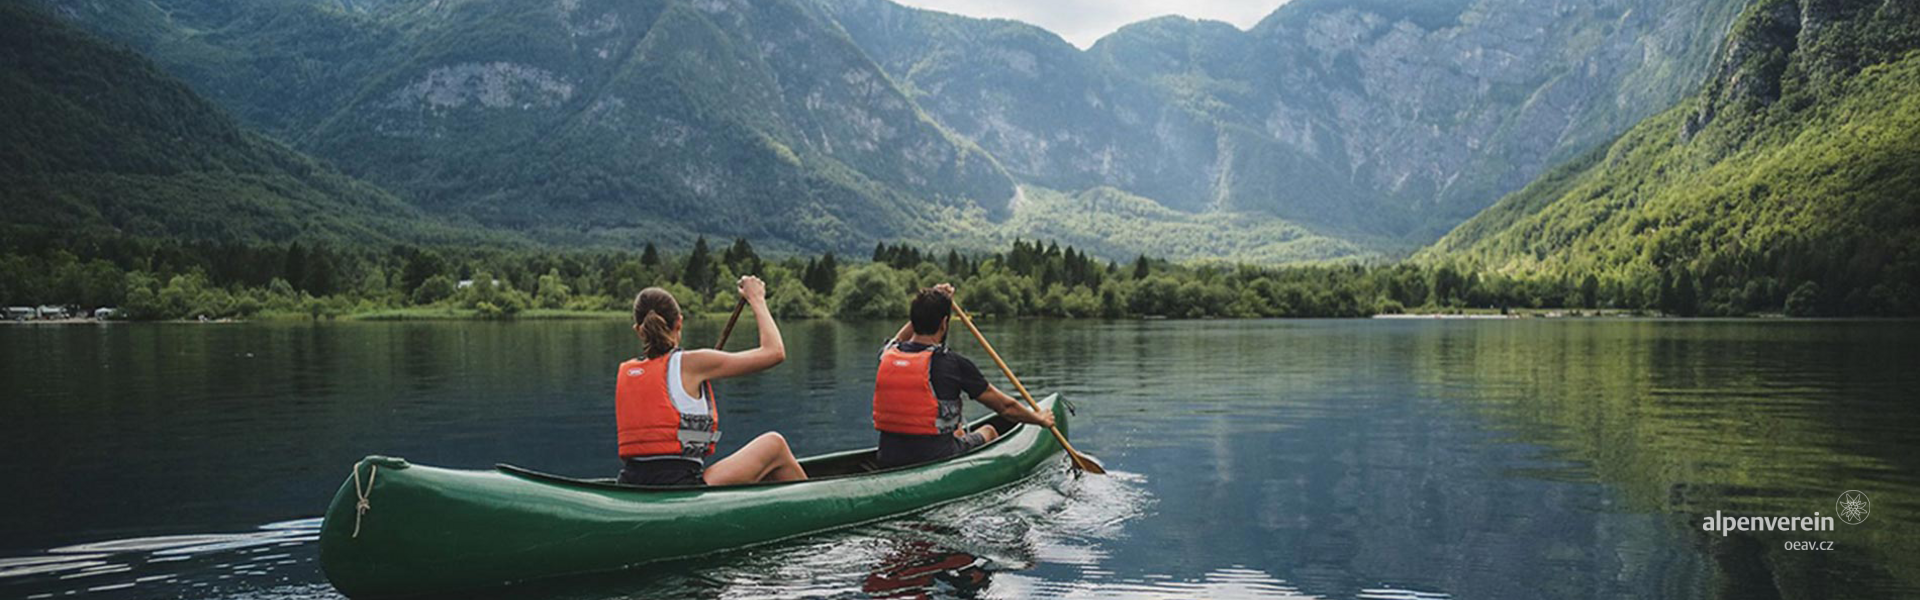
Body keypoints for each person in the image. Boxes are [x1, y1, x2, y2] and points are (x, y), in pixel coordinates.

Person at [616, 276, 806, 486]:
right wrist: (756, 298)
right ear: (679, 322)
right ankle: (817, 508)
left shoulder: (627, 370)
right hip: (681, 486)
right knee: (774, 445)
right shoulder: (693, 363)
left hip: (629, 483)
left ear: (638, 329)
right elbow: (774, 352)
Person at [873, 283, 1054, 468]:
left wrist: (932, 303)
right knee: (989, 431)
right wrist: (1040, 419)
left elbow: (900, 339)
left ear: (914, 320)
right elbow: (1006, 408)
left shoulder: (888, 355)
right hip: (936, 460)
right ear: (944, 323)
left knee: (957, 430)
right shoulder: (953, 364)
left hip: (888, 458)